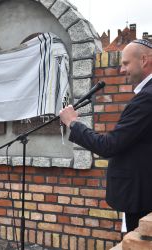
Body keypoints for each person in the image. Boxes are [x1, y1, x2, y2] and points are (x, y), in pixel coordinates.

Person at [59, 39, 152, 232]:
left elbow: (109, 145)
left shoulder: (147, 98)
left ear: (144, 60)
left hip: (141, 198)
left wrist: (73, 123)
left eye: (126, 63)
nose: (121, 70)